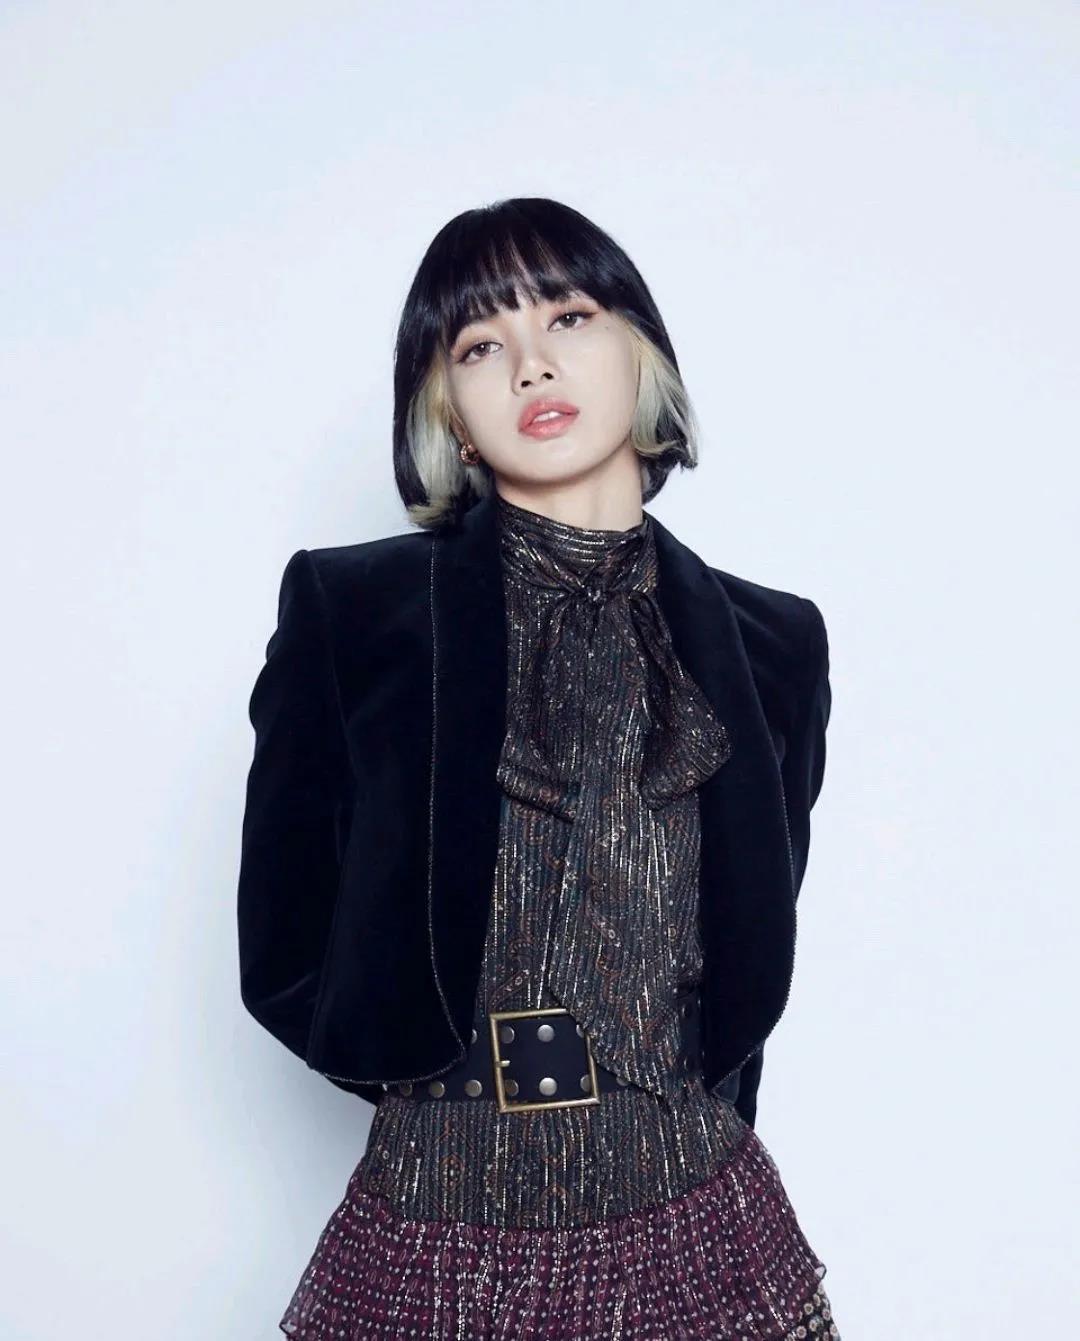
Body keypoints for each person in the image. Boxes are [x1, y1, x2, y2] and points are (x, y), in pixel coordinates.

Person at [237, 196, 838, 1339]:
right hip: (436, 1218)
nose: (530, 365)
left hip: (701, 1218)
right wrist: (436, 1081)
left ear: (641, 354)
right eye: (479, 345)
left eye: (567, 317)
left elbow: (751, 942)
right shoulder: (354, 611)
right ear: (450, 416)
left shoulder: (775, 643)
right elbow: (283, 945)